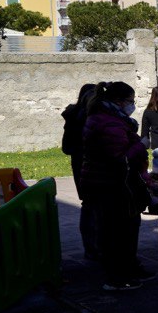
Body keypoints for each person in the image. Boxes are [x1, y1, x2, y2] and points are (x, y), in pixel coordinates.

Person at [80, 81, 151, 291]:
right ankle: (118, 277)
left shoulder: (109, 119)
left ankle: (127, 269)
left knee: (123, 229)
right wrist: (140, 145)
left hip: (111, 183)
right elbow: (119, 159)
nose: (133, 105)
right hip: (112, 185)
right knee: (118, 232)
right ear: (119, 101)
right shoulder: (109, 123)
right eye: (130, 101)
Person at [62, 83, 100, 261]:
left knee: (89, 205)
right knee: (94, 206)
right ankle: (94, 247)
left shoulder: (73, 117)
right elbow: (67, 147)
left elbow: (67, 147)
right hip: (90, 164)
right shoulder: (84, 117)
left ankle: (92, 247)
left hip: (80, 164)